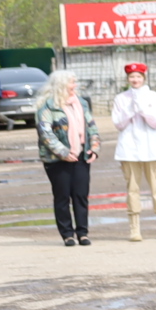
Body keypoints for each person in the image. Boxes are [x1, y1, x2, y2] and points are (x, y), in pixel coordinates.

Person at [35, 70, 97, 246]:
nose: (75, 85)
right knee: (62, 197)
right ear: (62, 85)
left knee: (81, 195)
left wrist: (94, 147)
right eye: (72, 82)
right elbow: (45, 134)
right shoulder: (46, 106)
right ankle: (67, 234)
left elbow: (91, 126)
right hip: (57, 160)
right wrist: (63, 152)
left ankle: (83, 233)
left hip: (82, 156)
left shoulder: (82, 103)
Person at [112, 62, 156, 240]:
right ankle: (134, 228)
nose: (135, 80)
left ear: (144, 78)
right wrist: (130, 111)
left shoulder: (154, 97)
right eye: (132, 77)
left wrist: (143, 110)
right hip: (129, 149)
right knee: (132, 189)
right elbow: (118, 124)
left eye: (138, 77)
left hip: (151, 148)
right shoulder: (121, 98)